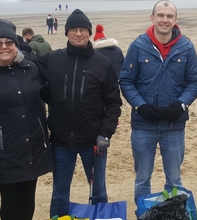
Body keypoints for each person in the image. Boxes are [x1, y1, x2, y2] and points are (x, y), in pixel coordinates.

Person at [119, 0, 197, 216]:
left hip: (174, 126)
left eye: (169, 16)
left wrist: (181, 104)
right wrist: (141, 106)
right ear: (152, 18)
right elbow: (126, 80)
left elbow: (195, 80)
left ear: (175, 19)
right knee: (142, 178)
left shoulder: (186, 46)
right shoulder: (138, 45)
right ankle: (142, 215)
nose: (165, 19)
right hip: (143, 125)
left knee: (174, 179)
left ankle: (173, 215)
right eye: (160, 15)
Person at [36, 9, 122, 217]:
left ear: (90, 33)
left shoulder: (103, 63)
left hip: (94, 141)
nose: (78, 33)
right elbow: (29, 66)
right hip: (61, 141)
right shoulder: (53, 59)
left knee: (98, 191)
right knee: (59, 194)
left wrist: (105, 133)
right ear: (66, 33)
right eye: (73, 29)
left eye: (83, 29)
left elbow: (114, 103)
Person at [0, 18, 52, 220]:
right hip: (5, 151)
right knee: (10, 203)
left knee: (27, 201)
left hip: (33, 147)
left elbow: (50, 93)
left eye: (9, 42)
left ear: (16, 45)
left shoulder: (30, 68)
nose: (4, 47)